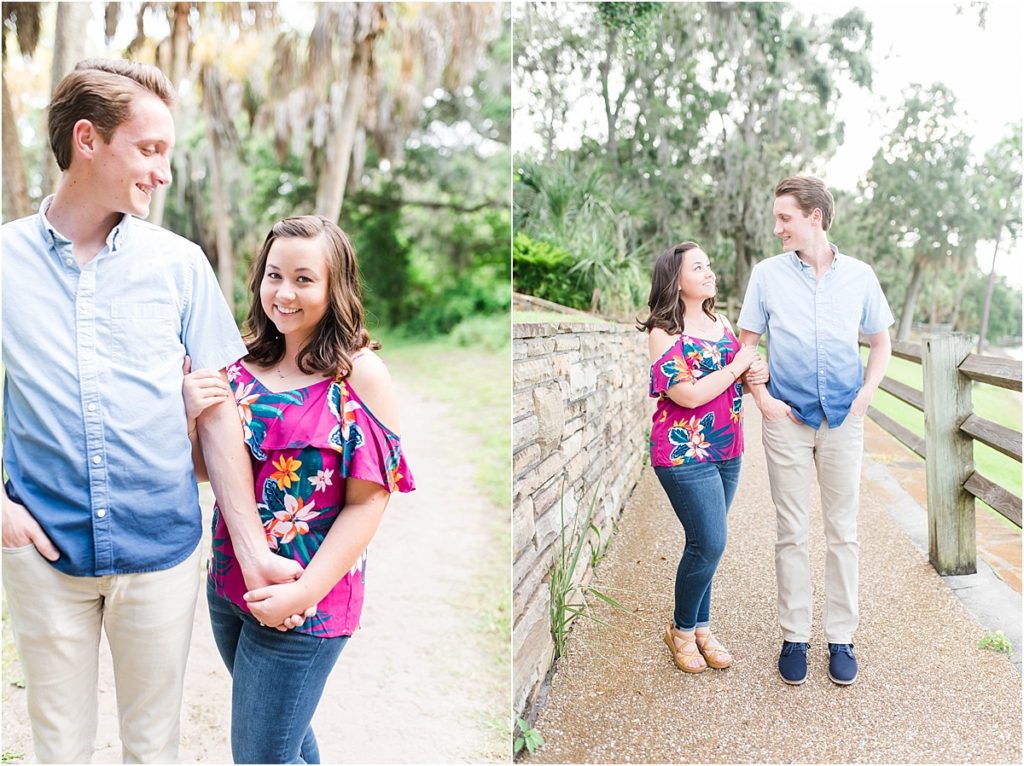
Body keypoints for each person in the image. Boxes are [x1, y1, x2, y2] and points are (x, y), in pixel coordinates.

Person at [1, 59, 301, 763]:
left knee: (152, 750)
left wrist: (253, 549)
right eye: (149, 149)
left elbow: (222, 411)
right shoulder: (3, 260)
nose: (162, 171)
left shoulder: (180, 264)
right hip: (43, 555)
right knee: (59, 750)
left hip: (160, 555)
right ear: (87, 140)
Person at [183, 215, 415, 763]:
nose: (284, 293)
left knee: (260, 752)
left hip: (309, 602)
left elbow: (369, 501)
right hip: (230, 585)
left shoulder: (357, 375)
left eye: (304, 279)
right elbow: (203, 469)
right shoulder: (238, 362)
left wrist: (302, 593)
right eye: (273, 275)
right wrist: (189, 416)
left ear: (336, 287)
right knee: (285, 736)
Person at [738, 175, 893, 686]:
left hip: (844, 420)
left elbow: (880, 341)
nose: (777, 226)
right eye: (777, 216)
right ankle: (795, 636)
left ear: (814, 218)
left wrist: (867, 394)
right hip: (787, 420)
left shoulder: (862, 276)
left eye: (785, 217)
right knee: (791, 531)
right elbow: (747, 347)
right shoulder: (766, 275)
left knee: (843, 532)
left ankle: (841, 636)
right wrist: (763, 400)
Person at [638, 241, 767, 673]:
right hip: (682, 452)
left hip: (728, 448)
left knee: (706, 546)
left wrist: (755, 373)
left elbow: (739, 379)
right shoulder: (663, 333)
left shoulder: (720, 321)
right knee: (710, 540)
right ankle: (680, 630)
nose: (709, 272)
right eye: (699, 267)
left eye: (709, 265)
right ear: (676, 280)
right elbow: (688, 394)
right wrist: (737, 367)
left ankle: (701, 629)